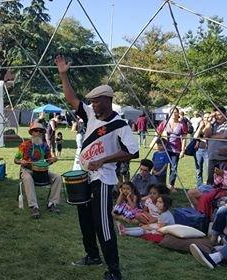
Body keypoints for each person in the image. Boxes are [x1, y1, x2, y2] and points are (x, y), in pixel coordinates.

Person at [56, 55, 139, 280]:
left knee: (103, 224)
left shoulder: (120, 124)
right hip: (85, 176)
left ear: (107, 100)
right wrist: (63, 74)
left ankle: (114, 270)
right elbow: (72, 99)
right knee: (85, 219)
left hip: (103, 179)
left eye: (96, 101)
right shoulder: (91, 114)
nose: (92, 105)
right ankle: (92, 255)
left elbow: (133, 151)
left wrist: (103, 160)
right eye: (91, 102)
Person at [14, 122, 63, 219]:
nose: (38, 133)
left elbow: (48, 161)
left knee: (58, 177)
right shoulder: (24, 145)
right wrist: (21, 161)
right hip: (27, 170)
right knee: (27, 178)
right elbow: (15, 160)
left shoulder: (45, 146)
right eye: (36, 130)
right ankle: (34, 207)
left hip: (43, 172)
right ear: (31, 133)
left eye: (40, 131)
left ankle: (52, 204)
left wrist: (53, 160)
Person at [156, 107, 187, 191]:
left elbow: (184, 138)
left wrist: (183, 150)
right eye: (172, 112)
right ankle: (161, 185)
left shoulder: (181, 124)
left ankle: (171, 186)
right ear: (169, 113)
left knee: (173, 168)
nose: (174, 113)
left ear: (178, 114)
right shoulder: (164, 123)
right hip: (164, 149)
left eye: (175, 112)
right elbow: (158, 132)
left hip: (176, 150)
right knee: (162, 167)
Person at [203, 106, 227, 185]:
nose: (217, 117)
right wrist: (209, 122)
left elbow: (224, 136)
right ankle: (209, 197)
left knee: (225, 181)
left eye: (219, 114)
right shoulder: (213, 124)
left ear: (225, 114)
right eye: (215, 115)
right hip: (212, 157)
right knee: (210, 182)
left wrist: (211, 136)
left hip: (225, 158)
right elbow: (206, 134)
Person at [192, 113, 210, 187]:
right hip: (199, 150)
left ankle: (209, 185)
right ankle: (199, 185)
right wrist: (200, 127)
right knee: (198, 169)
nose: (206, 119)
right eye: (205, 117)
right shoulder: (201, 125)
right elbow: (195, 136)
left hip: (208, 150)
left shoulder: (212, 126)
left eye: (208, 117)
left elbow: (209, 138)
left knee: (208, 169)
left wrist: (202, 139)